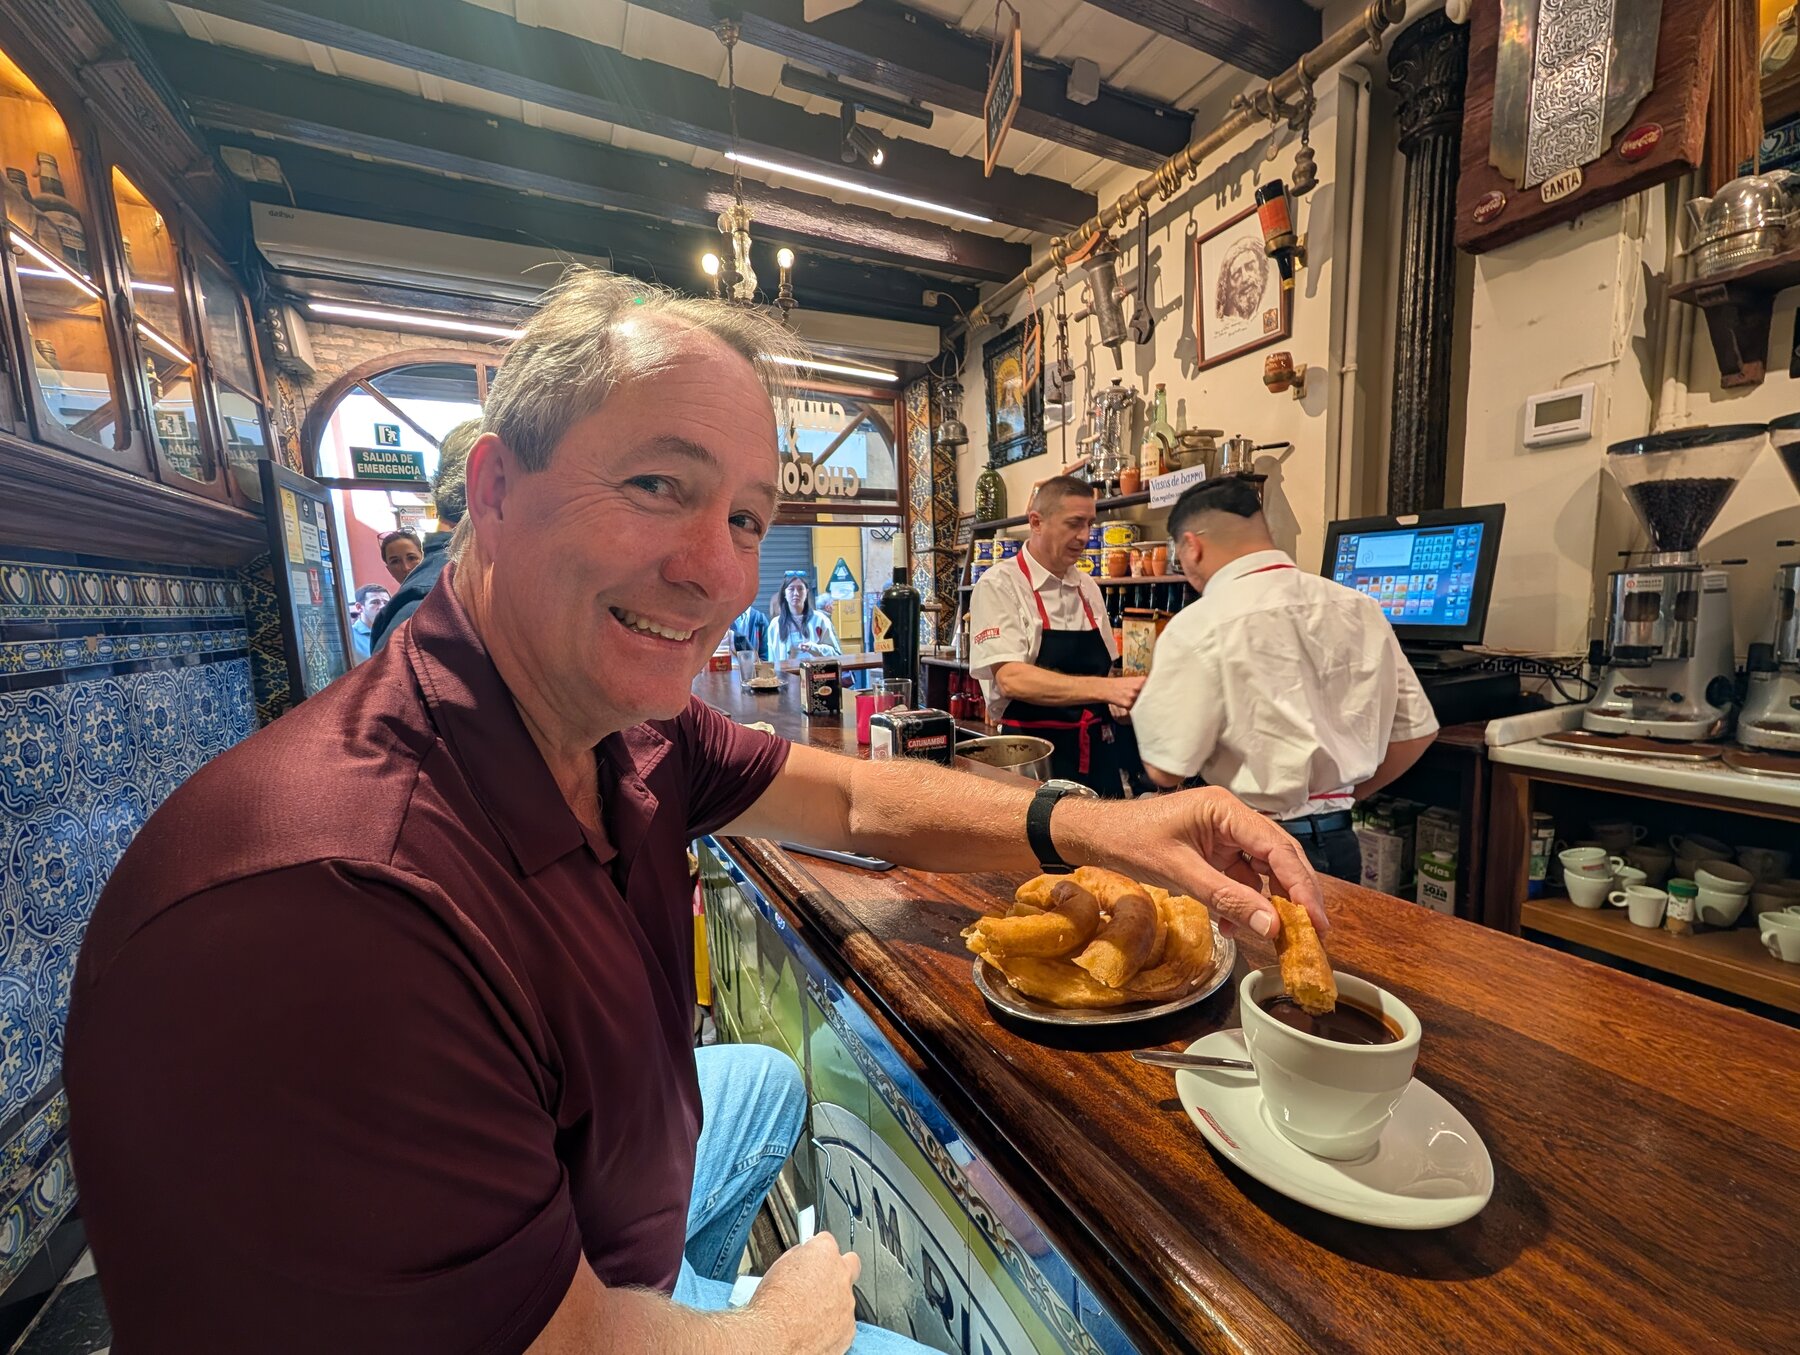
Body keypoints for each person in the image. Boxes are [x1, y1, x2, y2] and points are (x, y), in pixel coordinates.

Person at [64, 269, 1323, 1355]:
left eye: (746, 518)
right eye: (660, 484)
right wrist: (785, 1321)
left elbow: (852, 792)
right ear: (494, 490)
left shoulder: (620, 728)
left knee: (762, 1080)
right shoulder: (332, 904)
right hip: (551, 1323)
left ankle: (670, 1291)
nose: (720, 571)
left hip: (581, 1224)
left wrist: (1101, 825)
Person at [1132, 476, 1439, 882]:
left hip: (1250, 850)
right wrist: (1336, 797)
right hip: (1340, 841)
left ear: (1191, 546)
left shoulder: (1199, 625)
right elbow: (1417, 733)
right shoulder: (1361, 607)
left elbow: (1165, 770)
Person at [968, 476, 1144, 797]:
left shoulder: (1087, 587)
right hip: (1035, 762)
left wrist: (1123, 702)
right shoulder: (999, 585)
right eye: (1074, 524)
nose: (1085, 536)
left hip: (1097, 756)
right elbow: (1011, 679)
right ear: (1036, 522)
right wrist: (1107, 689)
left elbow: (1106, 672)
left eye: (1090, 524)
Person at [371, 420, 479, 652]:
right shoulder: (429, 606)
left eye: (411, 557)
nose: (405, 567)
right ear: (490, 490)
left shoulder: (443, 592)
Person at [766, 571, 839, 662]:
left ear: (806, 592)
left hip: (815, 671)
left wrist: (814, 648)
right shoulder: (775, 625)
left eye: (800, 589)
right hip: (786, 671)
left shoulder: (820, 620)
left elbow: (836, 654)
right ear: (784, 593)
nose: (796, 593)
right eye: (791, 589)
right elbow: (772, 661)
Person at [349, 582, 389, 661]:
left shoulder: (395, 632)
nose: (383, 606)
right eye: (375, 602)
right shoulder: (349, 637)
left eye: (386, 603)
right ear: (359, 607)